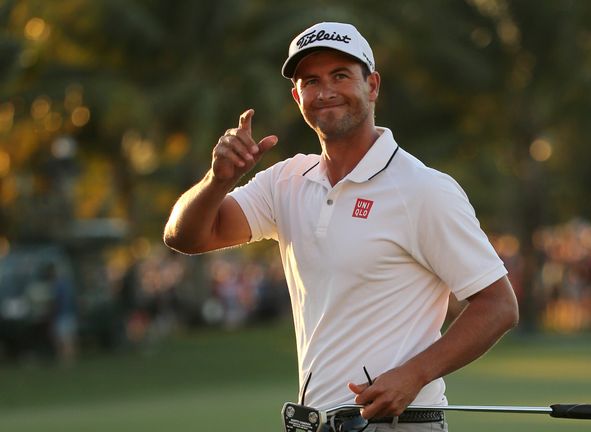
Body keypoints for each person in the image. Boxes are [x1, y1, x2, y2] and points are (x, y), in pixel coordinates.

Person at [164, 22, 518, 431]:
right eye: (311, 81)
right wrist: (217, 180)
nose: (325, 91)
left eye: (340, 76)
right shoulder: (286, 181)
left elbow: (498, 305)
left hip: (398, 422)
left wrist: (415, 374)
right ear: (297, 97)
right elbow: (186, 237)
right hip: (316, 423)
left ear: (372, 86)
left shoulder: (423, 189)